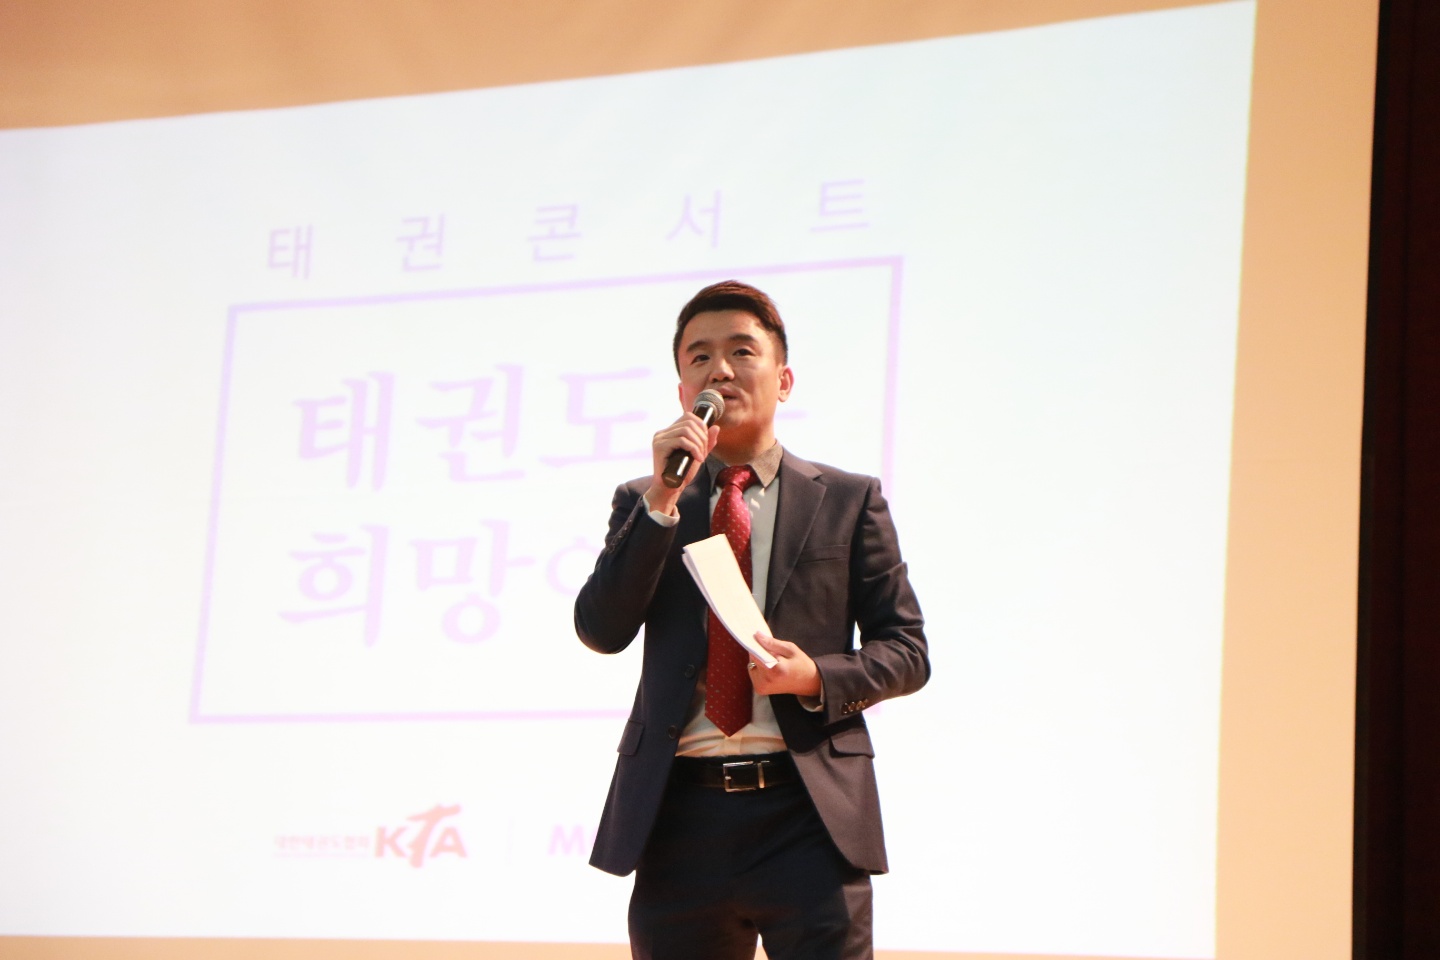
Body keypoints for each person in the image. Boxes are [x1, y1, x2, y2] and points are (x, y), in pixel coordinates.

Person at [574, 280, 929, 959]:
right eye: (699, 357)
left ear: (784, 379)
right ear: (684, 390)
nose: (721, 370)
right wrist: (662, 501)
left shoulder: (848, 500)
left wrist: (814, 676)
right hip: (679, 817)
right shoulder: (646, 501)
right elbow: (601, 629)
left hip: (808, 812)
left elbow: (907, 650)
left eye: (742, 351)